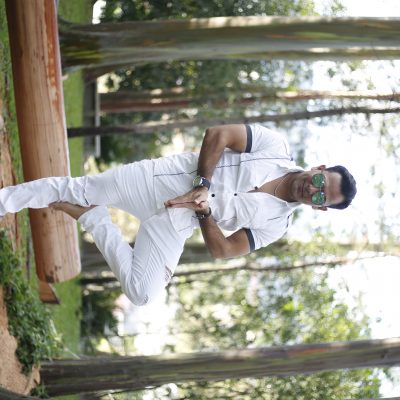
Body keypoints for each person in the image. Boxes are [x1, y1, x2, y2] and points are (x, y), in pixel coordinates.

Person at [0, 124, 356, 306]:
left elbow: (223, 250)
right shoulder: (275, 146)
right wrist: (203, 183)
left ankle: (94, 219)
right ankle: (5, 202)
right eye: (320, 181)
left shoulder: (277, 225)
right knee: (78, 189)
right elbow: (218, 134)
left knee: (141, 294)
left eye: (321, 196)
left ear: (320, 207)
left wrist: (205, 213)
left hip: (177, 224)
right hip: (158, 181)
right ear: (319, 168)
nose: (313, 189)